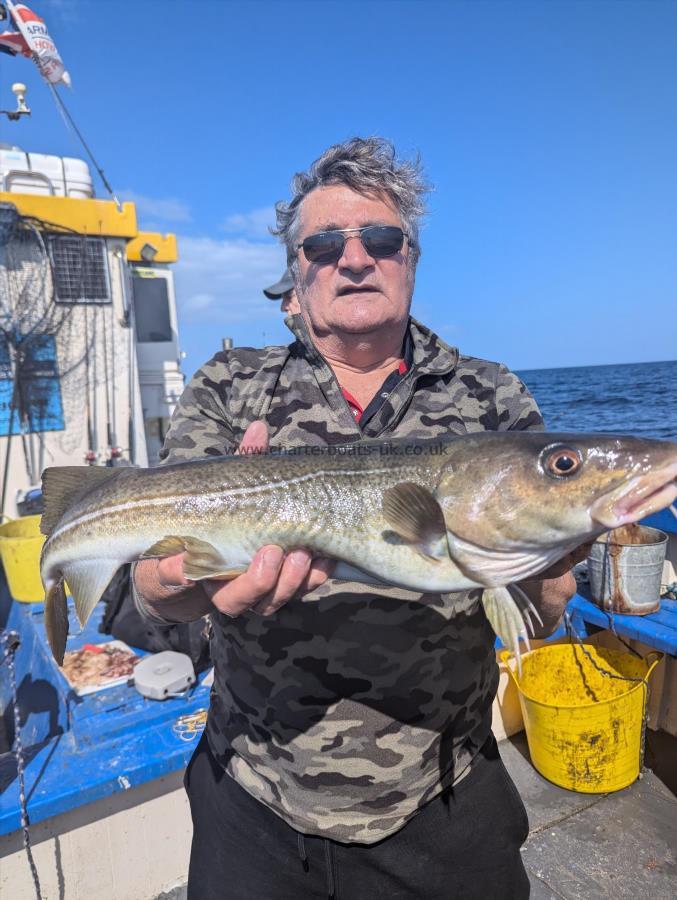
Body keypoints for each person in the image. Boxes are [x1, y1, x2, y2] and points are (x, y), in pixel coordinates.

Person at [132, 137, 579, 899]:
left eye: (380, 239)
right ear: (294, 276)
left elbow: (540, 605)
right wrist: (185, 585)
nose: (355, 259)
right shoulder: (227, 387)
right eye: (323, 244)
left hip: (442, 794)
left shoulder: (491, 399)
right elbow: (152, 586)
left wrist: (556, 549)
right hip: (254, 792)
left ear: (410, 258)